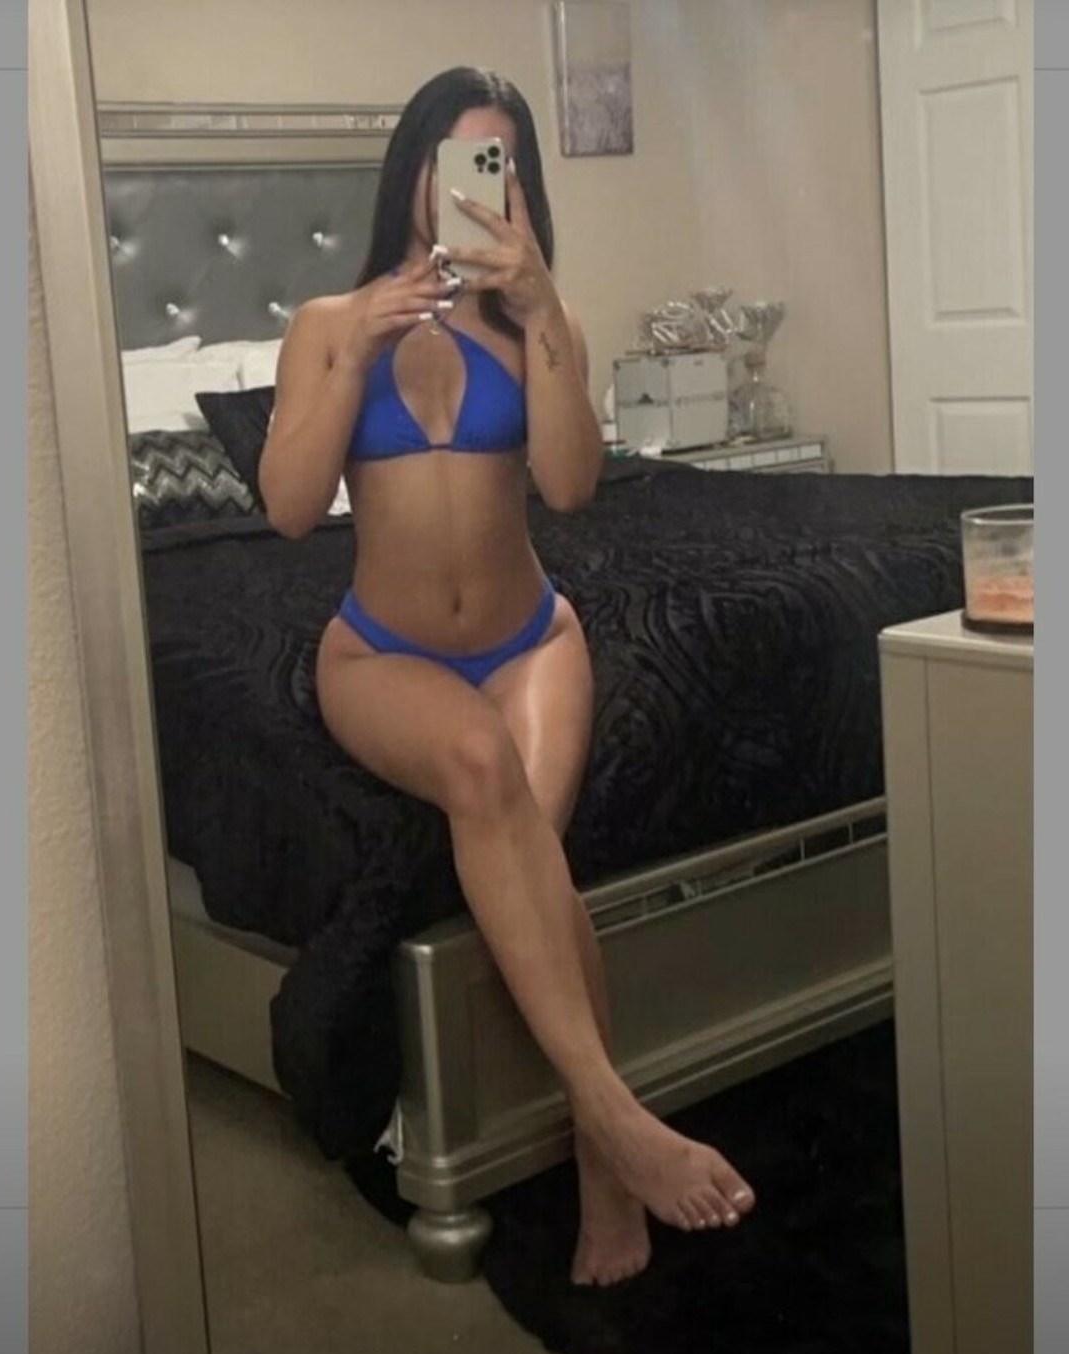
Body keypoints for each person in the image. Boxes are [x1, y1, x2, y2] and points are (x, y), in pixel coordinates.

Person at [258, 66, 755, 1287]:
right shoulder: (327, 323)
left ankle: (606, 1175)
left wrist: (542, 319)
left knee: (526, 844)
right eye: (462, 162)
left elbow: (574, 488)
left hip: (531, 640)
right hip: (379, 652)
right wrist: (355, 354)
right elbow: (286, 510)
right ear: (415, 174)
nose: (481, 189)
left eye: (504, 166)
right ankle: (619, 1132)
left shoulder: (540, 317)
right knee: (483, 771)